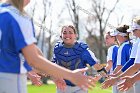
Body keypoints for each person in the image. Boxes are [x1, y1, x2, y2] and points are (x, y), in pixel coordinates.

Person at [0, 0, 96, 93]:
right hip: (10, 79)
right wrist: (71, 75)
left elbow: (34, 52)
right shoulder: (19, 17)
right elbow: (34, 60)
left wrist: (51, 75)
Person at [51, 25, 108, 93]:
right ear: (61, 35)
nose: (67, 35)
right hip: (62, 86)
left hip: (80, 87)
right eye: (64, 32)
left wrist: (104, 77)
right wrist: (54, 77)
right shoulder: (57, 49)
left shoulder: (83, 50)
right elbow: (52, 65)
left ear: (75, 35)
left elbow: (97, 67)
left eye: (70, 32)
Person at [103, 16, 140, 93]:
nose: (116, 38)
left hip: (131, 77)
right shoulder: (135, 42)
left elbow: (122, 65)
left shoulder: (124, 46)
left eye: (116, 35)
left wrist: (116, 76)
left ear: (121, 35)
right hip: (134, 76)